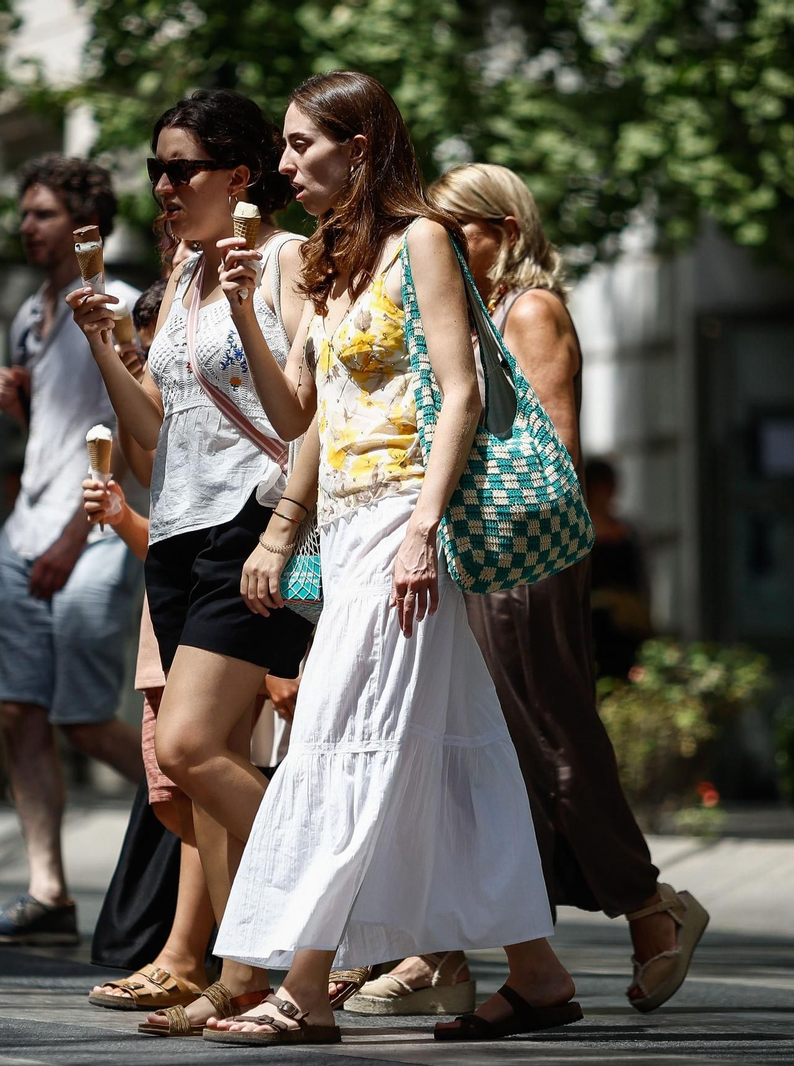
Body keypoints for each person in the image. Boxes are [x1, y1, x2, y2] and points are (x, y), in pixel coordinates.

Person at [202, 70, 577, 1046]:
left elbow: (457, 392)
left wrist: (422, 526)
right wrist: (246, 306)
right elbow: (299, 414)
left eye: (298, 145)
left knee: (336, 729)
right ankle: (537, 975)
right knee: (457, 758)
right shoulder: (324, 265)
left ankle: (306, 987)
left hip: (404, 522)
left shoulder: (422, 242)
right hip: (351, 519)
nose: (283, 165)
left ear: (358, 146)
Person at [330, 164, 705, 1018]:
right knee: (498, 755)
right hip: (474, 555)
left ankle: (651, 911)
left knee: (551, 742)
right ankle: (496, 956)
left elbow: (555, 455)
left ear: (502, 229)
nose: (442, 243)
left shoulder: (529, 311)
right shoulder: (468, 315)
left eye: (458, 229)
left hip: (522, 559)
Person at [67, 88, 312, 1037]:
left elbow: (304, 401)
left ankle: (333, 908)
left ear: (241, 178)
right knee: (210, 774)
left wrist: (285, 526)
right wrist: (104, 348)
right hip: (178, 536)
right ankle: (239, 972)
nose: (163, 186)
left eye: (183, 169)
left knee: (189, 750)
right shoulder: (179, 281)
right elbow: (151, 443)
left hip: (251, 530)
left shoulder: (282, 260)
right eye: (156, 170)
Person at [0, 156, 146, 947]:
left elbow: (133, 435)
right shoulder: (28, 313)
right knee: (17, 710)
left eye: (41, 214)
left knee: (84, 717)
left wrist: (78, 537)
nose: (26, 227)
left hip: (92, 533)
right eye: (25, 214)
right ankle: (47, 893)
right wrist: (21, 404)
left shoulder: (123, 306)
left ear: (83, 221)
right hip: (25, 530)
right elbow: (57, 436)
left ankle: (231, 802)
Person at [583, 456, 653, 680]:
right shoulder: (577, 533)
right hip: (591, 627)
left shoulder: (629, 531)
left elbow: (641, 580)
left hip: (626, 626)